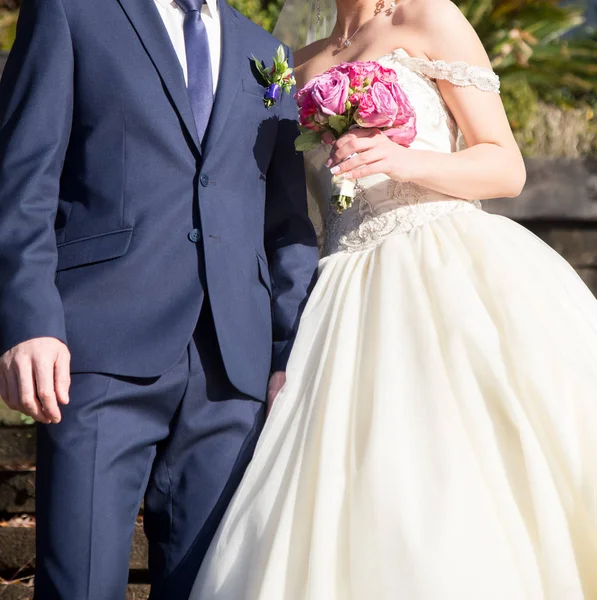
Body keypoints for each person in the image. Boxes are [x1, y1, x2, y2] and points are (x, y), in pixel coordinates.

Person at [191, 0, 597, 597]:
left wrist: (407, 160)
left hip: (442, 267)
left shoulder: (430, 19)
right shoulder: (294, 64)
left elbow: (505, 167)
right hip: (339, 291)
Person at [0, 0, 318, 598]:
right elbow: (21, 184)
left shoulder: (266, 53)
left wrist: (286, 352)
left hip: (233, 371)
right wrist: (28, 322)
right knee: (79, 584)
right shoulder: (72, 14)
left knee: (211, 587)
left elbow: (287, 226)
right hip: (95, 352)